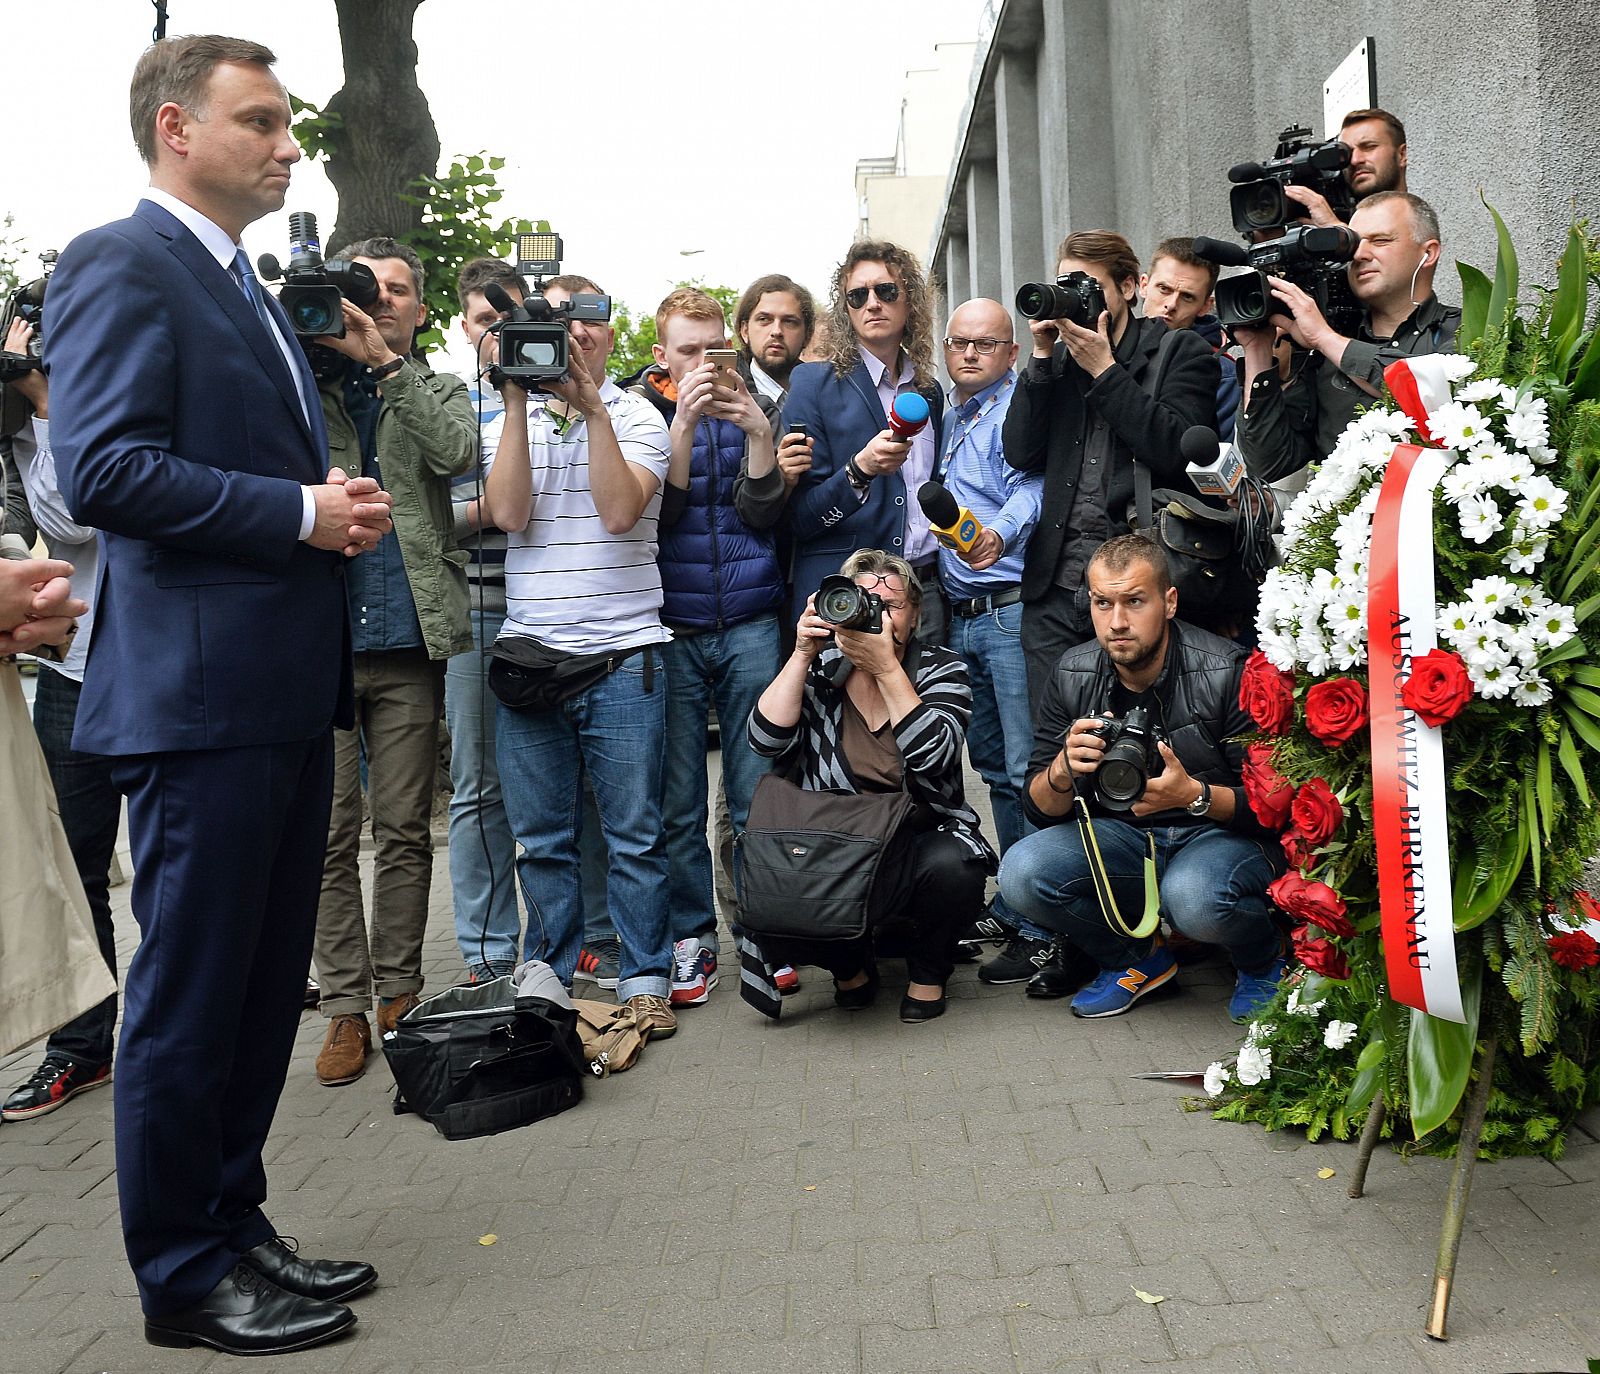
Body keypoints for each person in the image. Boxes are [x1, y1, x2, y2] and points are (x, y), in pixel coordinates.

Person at [45, 34, 391, 1355]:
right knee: (191, 997)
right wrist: (301, 509)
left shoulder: (243, 281)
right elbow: (104, 472)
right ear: (175, 128)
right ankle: (181, 1275)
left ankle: (235, 1226)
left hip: (277, 694)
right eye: (260, 121)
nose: (288, 145)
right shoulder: (119, 261)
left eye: (290, 124)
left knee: (256, 993)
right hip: (194, 704)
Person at [481, 271, 679, 1040]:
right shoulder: (512, 416)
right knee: (543, 841)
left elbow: (619, 510)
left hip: (625, 657)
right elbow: (506, 513)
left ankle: (646, 979)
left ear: (606, 331)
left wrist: (591, 405)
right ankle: (549, 982)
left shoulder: (638, 416)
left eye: (587, 319)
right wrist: (517, 401)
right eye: (556, 321)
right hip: (533, 660)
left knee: (634, 835)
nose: (574, 333)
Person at [309, 237, 475, 1087]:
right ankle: (343, 1006)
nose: (379, 302)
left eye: (397, 291)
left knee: (405, 829)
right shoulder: (296, 387)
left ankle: (399, 993)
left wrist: (381, 365)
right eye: (362, 289)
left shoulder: (433, 385)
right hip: (318, 645)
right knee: (330, 835)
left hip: (410, 639)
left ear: (417, 308)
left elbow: (459, 454)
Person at [996, 534, 1285, 1023]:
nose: (1117, 622)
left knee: (1193, 897)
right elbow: (1038, 809)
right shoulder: (1072, 672)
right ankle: (1138, 961)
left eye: (1134, 601)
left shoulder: (1227, 671)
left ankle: (1262, 960)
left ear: (1169, 601)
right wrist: (1063, 770)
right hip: (1127, 838)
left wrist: (1194, 796)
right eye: (1102, 603)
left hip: (1219, 834)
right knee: (1020, 875)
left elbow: (1274, 809)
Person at [746, 549, 994, 1022]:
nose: (876, 613)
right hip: (838, 843)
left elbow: (935, 755)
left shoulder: (940, 668)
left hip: (916, 838)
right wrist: (801, 653)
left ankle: (928, 975)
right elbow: (763, 740)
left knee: (955, 866)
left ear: (915, 615)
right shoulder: (822, 671)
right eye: (864, 599)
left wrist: (886, 670)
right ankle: (851, 971)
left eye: (892, 605)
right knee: (783, 878)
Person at [628, 288, 786, 1006]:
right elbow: (664, 519)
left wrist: (758, 434)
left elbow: (762, 512)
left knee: (757, 792)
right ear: (661, 355)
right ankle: (693, 936)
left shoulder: (753, 402)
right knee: (679, 799)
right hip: (673, 628)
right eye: (688, 351)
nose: (704, 363)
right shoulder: (641, 413)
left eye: (714, 349)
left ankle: (762, 927)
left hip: (750, 619)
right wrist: (683, 428)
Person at [1003, 231, 1219, 706]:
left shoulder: (1178, 351)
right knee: (1054, 749)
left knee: (1135, 746)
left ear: (1127, 287)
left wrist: (1105, 371)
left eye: (1088, 285)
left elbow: (1178, 454)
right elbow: (1018, 452)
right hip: (1055, 592)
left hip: (1136, 591)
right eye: (1066, 283)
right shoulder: (1055, 359)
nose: (1074, 296)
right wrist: (1040, 360)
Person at [1, 319, 124, 1121]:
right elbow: (25, 532)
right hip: (75, 670)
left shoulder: (110, 397)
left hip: (154, 664)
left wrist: (47, 398)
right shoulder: (14, 425)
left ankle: (179, 1030)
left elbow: (82, 514)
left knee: (172, 865)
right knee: (75, 867)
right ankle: (80, 1050)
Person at [926, 299, 1051, 984]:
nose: (970, 354)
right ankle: (1018, 900)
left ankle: (1040, 923)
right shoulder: (952, 414)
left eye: (986, 344)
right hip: (962, 615)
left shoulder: (1011, 412)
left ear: (1009, 353)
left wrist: (999, 533)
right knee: (997, 769)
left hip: (1006, 611)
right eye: (960, 342)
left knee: (1028, 771)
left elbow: (1029, 489)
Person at [781, 241, 947, 643]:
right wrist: (859, 471)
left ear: (911, 302)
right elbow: (799, 519)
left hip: (924, 594)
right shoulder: (813, 385)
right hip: (847, 599)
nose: (873, 303)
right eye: (858, 295)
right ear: (847, 310)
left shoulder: (929, 392)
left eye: (886, 291)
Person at [1233, 191, 1460, 484]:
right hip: (1341, 527)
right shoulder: (1322, 352)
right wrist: (1257, 350)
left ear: (1427, 253)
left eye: (1380, 241)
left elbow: (1432, 396)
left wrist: (1326, 339)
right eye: (1354, 242)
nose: (1360, 254)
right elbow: (1272, 467)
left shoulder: (1467, 329)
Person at [1140, 237, 1240, 441]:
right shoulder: (1115, 347)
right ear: (1143, 285)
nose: (1171, 304)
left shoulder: (1223, 372)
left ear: (1205, 306)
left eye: (1187, 297)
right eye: (1164, 289)